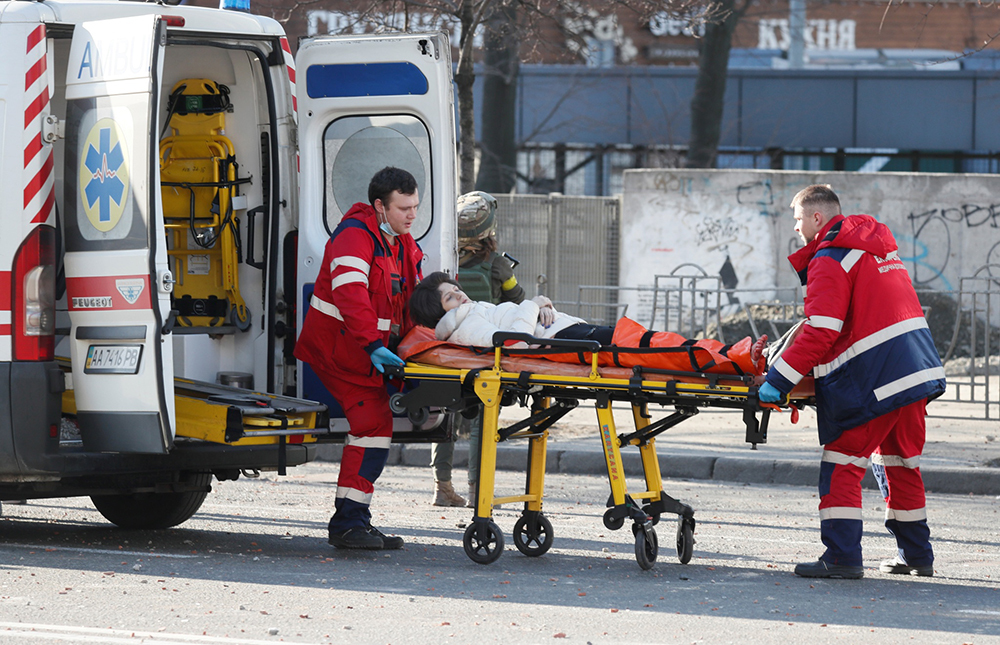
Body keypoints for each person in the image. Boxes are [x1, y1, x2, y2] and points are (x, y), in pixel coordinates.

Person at [758, 184, 946, 579]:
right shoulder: (877, 249)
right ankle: (917, 555)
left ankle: (842, 557)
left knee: (842, 460)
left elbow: (821, 330)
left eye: (797, 220)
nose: (796, 229)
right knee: (899, 462)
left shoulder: (831, 257)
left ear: (816, 218)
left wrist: (778, 379)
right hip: (915, 371)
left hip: (877, 378)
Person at [294, 167, 423, 550]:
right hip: (342, 353)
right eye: (404, 208)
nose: (412, 215)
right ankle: (349, 524)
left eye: (416, 206)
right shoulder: (355, 236)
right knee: (371, 427)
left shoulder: (397, 241)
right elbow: (350, 293)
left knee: (374, 429)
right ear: (380, 206)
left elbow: (408, 297)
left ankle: (353, 521)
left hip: (361, 354)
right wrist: (373, 345)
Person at [428, 192, 527, 508]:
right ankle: (476, 491)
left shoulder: (445, 260)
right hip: (486, 357)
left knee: (446, 419)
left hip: (449, 354)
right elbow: (518, 300)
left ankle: (442, 488)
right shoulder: (498, 266)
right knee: (484, 421)